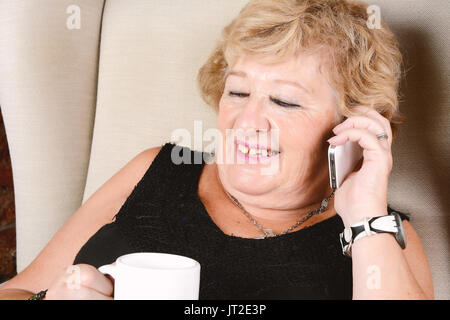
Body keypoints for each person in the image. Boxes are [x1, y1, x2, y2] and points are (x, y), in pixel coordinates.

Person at [0, 0, 433, 300]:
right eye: (238, 92)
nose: (246, 122)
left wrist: (364, 217)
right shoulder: (156, 168)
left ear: (349, 126)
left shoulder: (377, 233)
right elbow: (16, 290)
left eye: (284, 101)